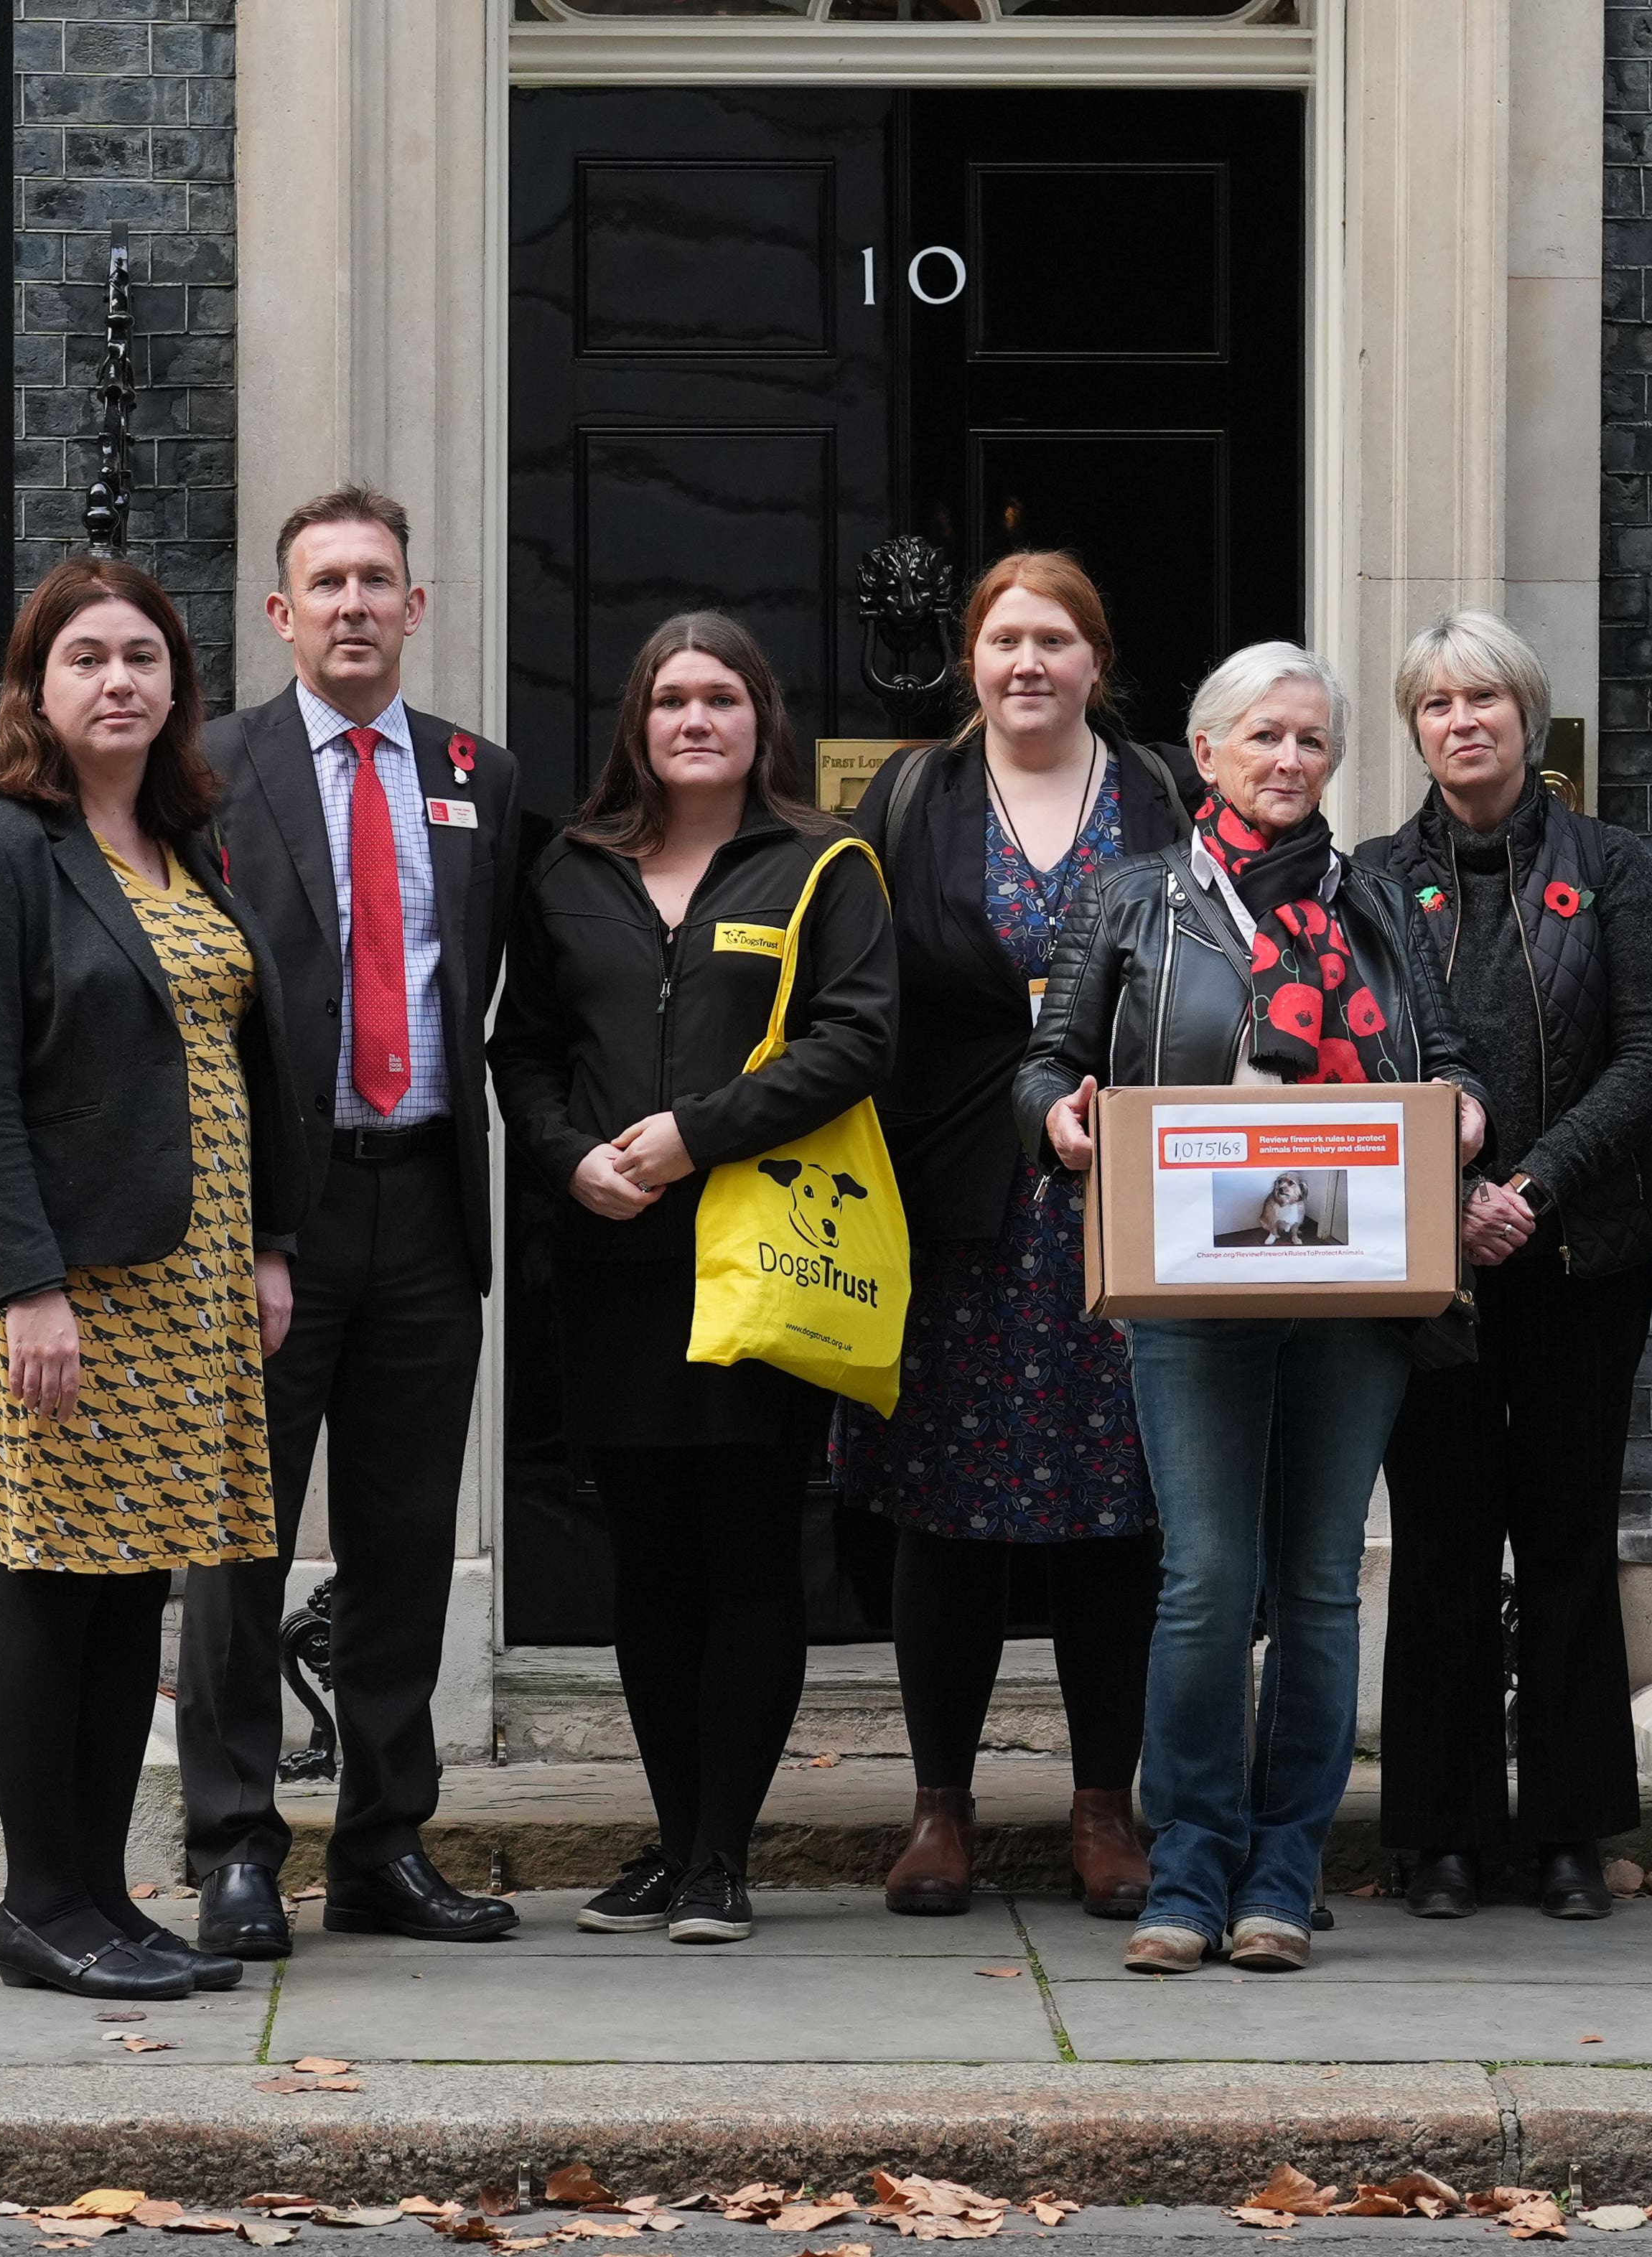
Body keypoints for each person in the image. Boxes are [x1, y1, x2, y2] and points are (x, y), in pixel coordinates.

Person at [1014, 642, 1488, 1976]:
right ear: (1207, 751)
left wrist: (1466, 1113)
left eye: (1314, 744)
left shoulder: (1384, 899)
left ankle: (1286, 1873)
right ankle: (1189, 1873)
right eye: (1265, 739)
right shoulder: (1135, 900)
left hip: (1356, 1287)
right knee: (1208, 1581)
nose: (1291, 763)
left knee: (1323, 1584)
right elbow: (1051, 1056)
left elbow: (1445, 1062)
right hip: (1190, 1284)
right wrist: (1055, 1114)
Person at [0, 556, 304, 2001]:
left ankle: (108, 1897)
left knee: (134, 1580)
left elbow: (237, 1065)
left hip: (187, 1273)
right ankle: (40, 1904)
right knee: (53, 1578)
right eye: (88, 658)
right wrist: (28, 1288)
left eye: (144, 657)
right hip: (59, 1275)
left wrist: (267, 1243)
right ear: (38, 686)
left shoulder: (182, 842)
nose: (120, 681)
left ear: (177, 688)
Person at [491, 611, 900, 1945]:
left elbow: (855, 1039)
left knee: (748, 1553)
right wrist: (566, 1161)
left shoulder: (824, 864)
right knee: (649, 1567)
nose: (695, 720)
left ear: (760, 717)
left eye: (721, 697)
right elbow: (525, 1049)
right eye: (671, 699)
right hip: (612, 1265)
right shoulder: (569, 869)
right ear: (639, 722)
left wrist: (691, 1134)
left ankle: (725, 1854)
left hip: (763, 1265)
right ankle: (673, 1848)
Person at [174, 487, 526, 1961]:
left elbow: (501, 969)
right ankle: (237, 1846)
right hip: (274, 1221)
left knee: (401, 1543)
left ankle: (387, 1843)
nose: (354, 605)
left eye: (378, 579)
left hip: (429, 1200)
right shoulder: (211, 770)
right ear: (281, 614)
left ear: (415, 605)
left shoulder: (479, 777)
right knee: (239, 1541)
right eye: (325, 583)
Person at [840, 553, 1200, 1922]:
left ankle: (1105, 1806)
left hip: (1131, 1205)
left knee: (1121, 1516)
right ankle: (941, 1805)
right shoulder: (913, 794)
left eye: (1055, 639)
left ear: (1096, 662)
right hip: (957, 1204)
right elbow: (865, 991)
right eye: (1005, 641)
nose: (1028, 664)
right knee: (949, 1519)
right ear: (971, 662)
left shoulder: (1164, 793)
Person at [1358, 612, 1652, 1922]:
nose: (1461, 721)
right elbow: (1365, 1062)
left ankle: (1566, 1829)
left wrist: (1533, 1189)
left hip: (1583, 1250)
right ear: (1416, 729)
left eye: (1483, 696)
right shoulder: (1373, 877)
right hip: (1426, 1261)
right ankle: (1437, 1832)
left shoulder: (1608, 866)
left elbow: (1650, 1050)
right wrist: (1452, 1202)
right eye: (1435, 703)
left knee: (1562, 1535)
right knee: (1439, 1537)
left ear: (1528, 715)